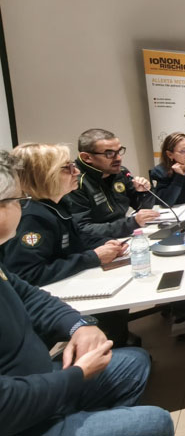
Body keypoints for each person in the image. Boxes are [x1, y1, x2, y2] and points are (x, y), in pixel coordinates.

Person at [0, 150, 174, 436]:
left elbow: (29, 296)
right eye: (18, 200)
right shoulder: (37, 216)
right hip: (21, 416)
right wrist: (77, 376)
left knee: (135, 361)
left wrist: (79, 325)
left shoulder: (60, 207)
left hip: (42, 380)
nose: (23, 205)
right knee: (158, 421)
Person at [0, 144, 127, 286]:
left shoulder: (58, 204)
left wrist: (105, 243)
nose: (77, 171)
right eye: (68, 168)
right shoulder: (30, 217)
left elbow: (77, 239)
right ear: (44, 175)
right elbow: (28, 274)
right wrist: (93, 257)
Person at [66, 129, 159, 239]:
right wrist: (131, 223)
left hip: (122, 236)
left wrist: (144, 192)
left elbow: (143, 208)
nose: (118, 158)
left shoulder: (121, 172)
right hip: (96, 243)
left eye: (119, 151)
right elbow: (83, 230)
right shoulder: (74, 182)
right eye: (109, 154)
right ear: (86, 157)